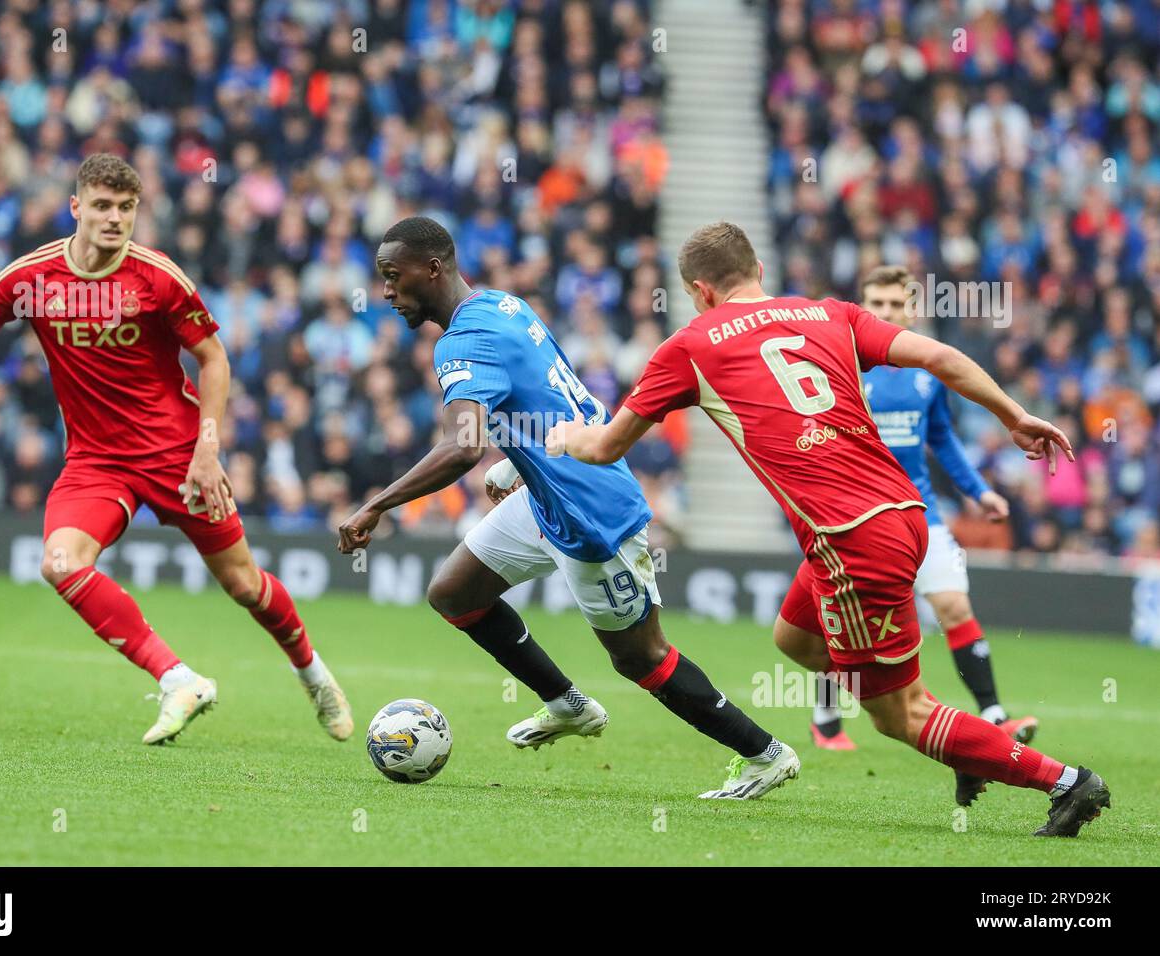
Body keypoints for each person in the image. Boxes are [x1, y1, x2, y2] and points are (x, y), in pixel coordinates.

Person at [547, 221, 1110, 836]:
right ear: (759, 271)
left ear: (700, 291)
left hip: (851, 541)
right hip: (900, 512)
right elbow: (941, 356)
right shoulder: (829, 312)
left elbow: (604, 447)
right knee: (793, 638)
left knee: (899, 715)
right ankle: (964, 743)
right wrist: (1016, 415)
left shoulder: (691, 344)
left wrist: (564, 436)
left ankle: (1066, 782)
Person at [338, 216, 800, 800]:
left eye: (391, 276)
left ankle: (764, 753)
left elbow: (461, 449)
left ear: (431, 269)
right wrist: (519, 462)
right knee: (454, 593)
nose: (384, 291)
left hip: (589, 514)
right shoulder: (501, 306)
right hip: (549, 491)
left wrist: (375, 506)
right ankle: (567, 703)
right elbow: (561, 393)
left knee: (641, 658)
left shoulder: (465, 340)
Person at [0, 154, 352, 745]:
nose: (114, 219)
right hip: (96, 461)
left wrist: (207, 448)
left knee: (244, 584)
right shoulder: (30, 278)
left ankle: (314, 675)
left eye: (125, 208)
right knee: (60, 564)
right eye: (101, 206)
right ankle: (177, 678)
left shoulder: (159, 277)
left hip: (177, 454)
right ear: (76, 208)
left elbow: (214, 359)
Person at [809, 265, 1037, 752]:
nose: (886, 312)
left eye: (895, 304)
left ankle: (995, 715)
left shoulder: (926, 372)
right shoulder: (840, 365)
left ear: (911, 309)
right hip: (856, 516)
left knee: (954, 605)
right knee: (844, 619)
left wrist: (979, 492)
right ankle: (826, 713)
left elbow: (942, 440)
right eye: (877, 304)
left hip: (920, 512)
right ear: (862, 307)